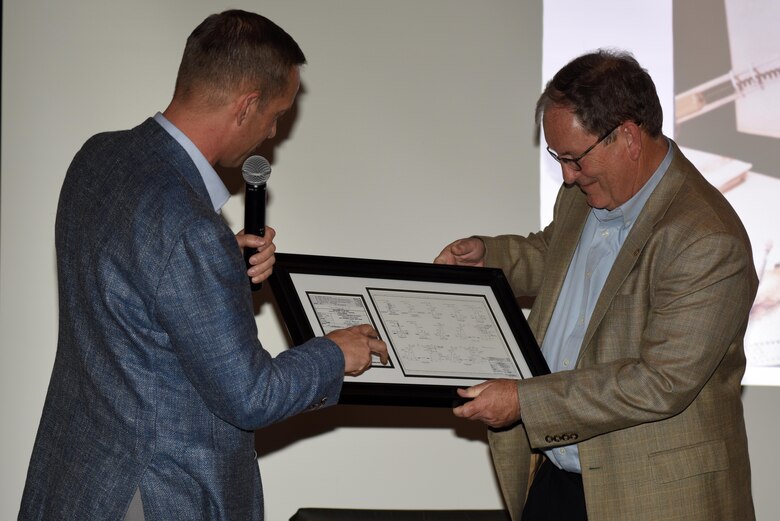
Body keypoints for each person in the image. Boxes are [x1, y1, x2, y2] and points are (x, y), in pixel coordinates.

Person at [19, 10, 387, 521]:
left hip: (79, 480)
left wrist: (219, 269)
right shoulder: (191, 228)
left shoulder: (97, 158)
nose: (274, 131)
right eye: (275, 114)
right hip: (151, 495)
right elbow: (251, 396)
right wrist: (333, 354)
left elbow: (131, 297)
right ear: (246, 107)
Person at [435, 49, 757, 521]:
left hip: (654, 498)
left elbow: (660, 382)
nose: (566, 175)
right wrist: (491, 258)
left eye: (573, 158)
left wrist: (526, 401)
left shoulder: (706, 238)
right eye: (556, 158)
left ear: (627, 136)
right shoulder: (586, 195)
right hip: (557, 480)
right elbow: (553, 256)